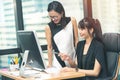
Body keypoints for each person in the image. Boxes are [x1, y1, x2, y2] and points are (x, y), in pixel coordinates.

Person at [45, 1, 78, 69]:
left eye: (55, 16)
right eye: (51, 17)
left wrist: (77, 59)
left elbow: (77, 41)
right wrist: (50, 64)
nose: (53, 19)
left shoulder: (72, 21)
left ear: (62, 13)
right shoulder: (48, 27)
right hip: (58, 62)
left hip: (72, 59)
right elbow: (50, 47)